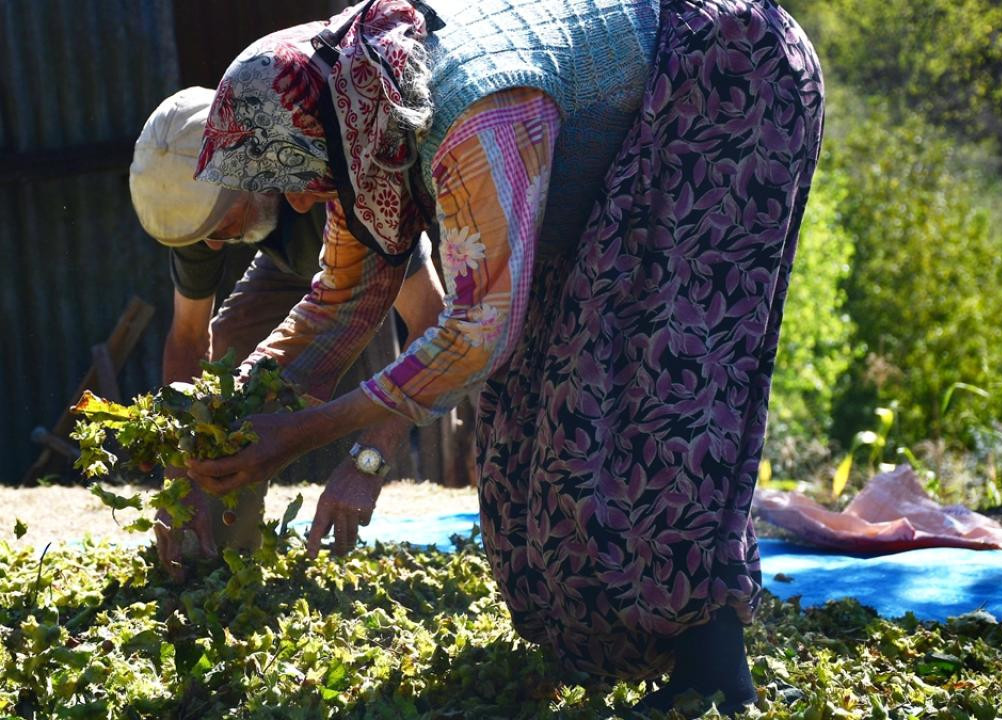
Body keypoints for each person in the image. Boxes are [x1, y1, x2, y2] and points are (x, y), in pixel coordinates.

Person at [185, 0, 824, 712]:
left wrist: (307, 433)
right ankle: (604, 649)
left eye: (295, 174)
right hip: (614, 147)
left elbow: (480, 330)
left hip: (718, 78)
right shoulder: (359, 120)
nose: (300, 201)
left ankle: (713, 674)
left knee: (650, 375)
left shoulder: (469, 110)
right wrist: (229, 423)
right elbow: (340, 304)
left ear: (322, 134)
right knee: (529, 416)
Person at [128, 87, 445, 578]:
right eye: (201, 234)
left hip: (364, 262)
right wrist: (179, 478)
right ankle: (222, 558)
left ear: (251, 172)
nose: (212, 243)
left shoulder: (343, 181)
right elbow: (191, 342)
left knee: (298, 385)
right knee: (224, 381)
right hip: (287, 266)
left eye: (221, 223)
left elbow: (432, 321)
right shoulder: (198, 212)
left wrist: (372, 456)